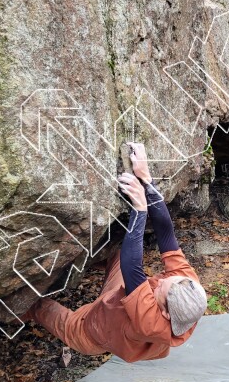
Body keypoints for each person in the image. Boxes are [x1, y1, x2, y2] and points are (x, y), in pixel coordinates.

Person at [22, 143, 207, 362]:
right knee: (117, 254)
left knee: (42, 308)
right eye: (170, 278)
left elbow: (133, 266)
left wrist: (140, 209)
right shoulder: (188, 289)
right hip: (113, 302)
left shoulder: (150, 321)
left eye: (162, 286)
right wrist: (147, 180)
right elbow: (167, 236)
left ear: (166, 313)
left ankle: (12, 313)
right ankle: (82, 264)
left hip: (93, 333)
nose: (164, 278)